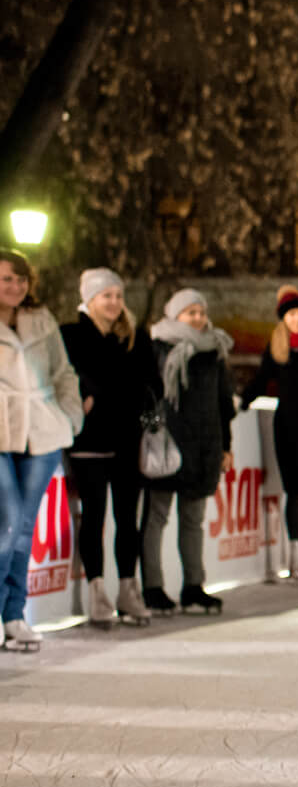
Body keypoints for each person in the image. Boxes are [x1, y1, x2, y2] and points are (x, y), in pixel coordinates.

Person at [61, 267, 158, 627]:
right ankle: (96, 590)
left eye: (118, 295)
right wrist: (83, 397)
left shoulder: (135, 339)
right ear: (89, 299)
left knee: (127, 518)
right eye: (107, 296)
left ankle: (128, 588)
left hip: (129, 441)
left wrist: (154, 430)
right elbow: (65, 377)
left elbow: (153, 388)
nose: (115, 302)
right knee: (95, 516)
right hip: (90, 440)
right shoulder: (71, 336)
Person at [0, 250, 82, 651]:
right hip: (1, 432)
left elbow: (63, 372)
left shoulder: (42, 319)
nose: (15, 287)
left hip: (42, 432)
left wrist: (68, 417)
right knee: (6, 524)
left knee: (23, 528)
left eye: (20, 279)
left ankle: (14, 616)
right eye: (5, 280)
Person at [141, 288, 233, 618]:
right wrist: (151, 430)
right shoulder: (156, 346)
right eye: (189, 312)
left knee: (192, 521)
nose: (197, 318)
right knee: (156, 518)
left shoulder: (215, 350)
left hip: (204, 445)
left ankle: (194, 586)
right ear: (174, 315)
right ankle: (152, 587)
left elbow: (225, 403)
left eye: (200, 312)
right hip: (167, 444)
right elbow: (147, 394)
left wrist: (226, 446)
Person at [241, 285, 298, 579]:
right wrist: (240, 401)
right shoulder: (277, 349)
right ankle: (294, 548)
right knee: (294, 491)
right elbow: (261, 380)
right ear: (284, 318)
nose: (297, 319)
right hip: (289, 427)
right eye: (292, 314)